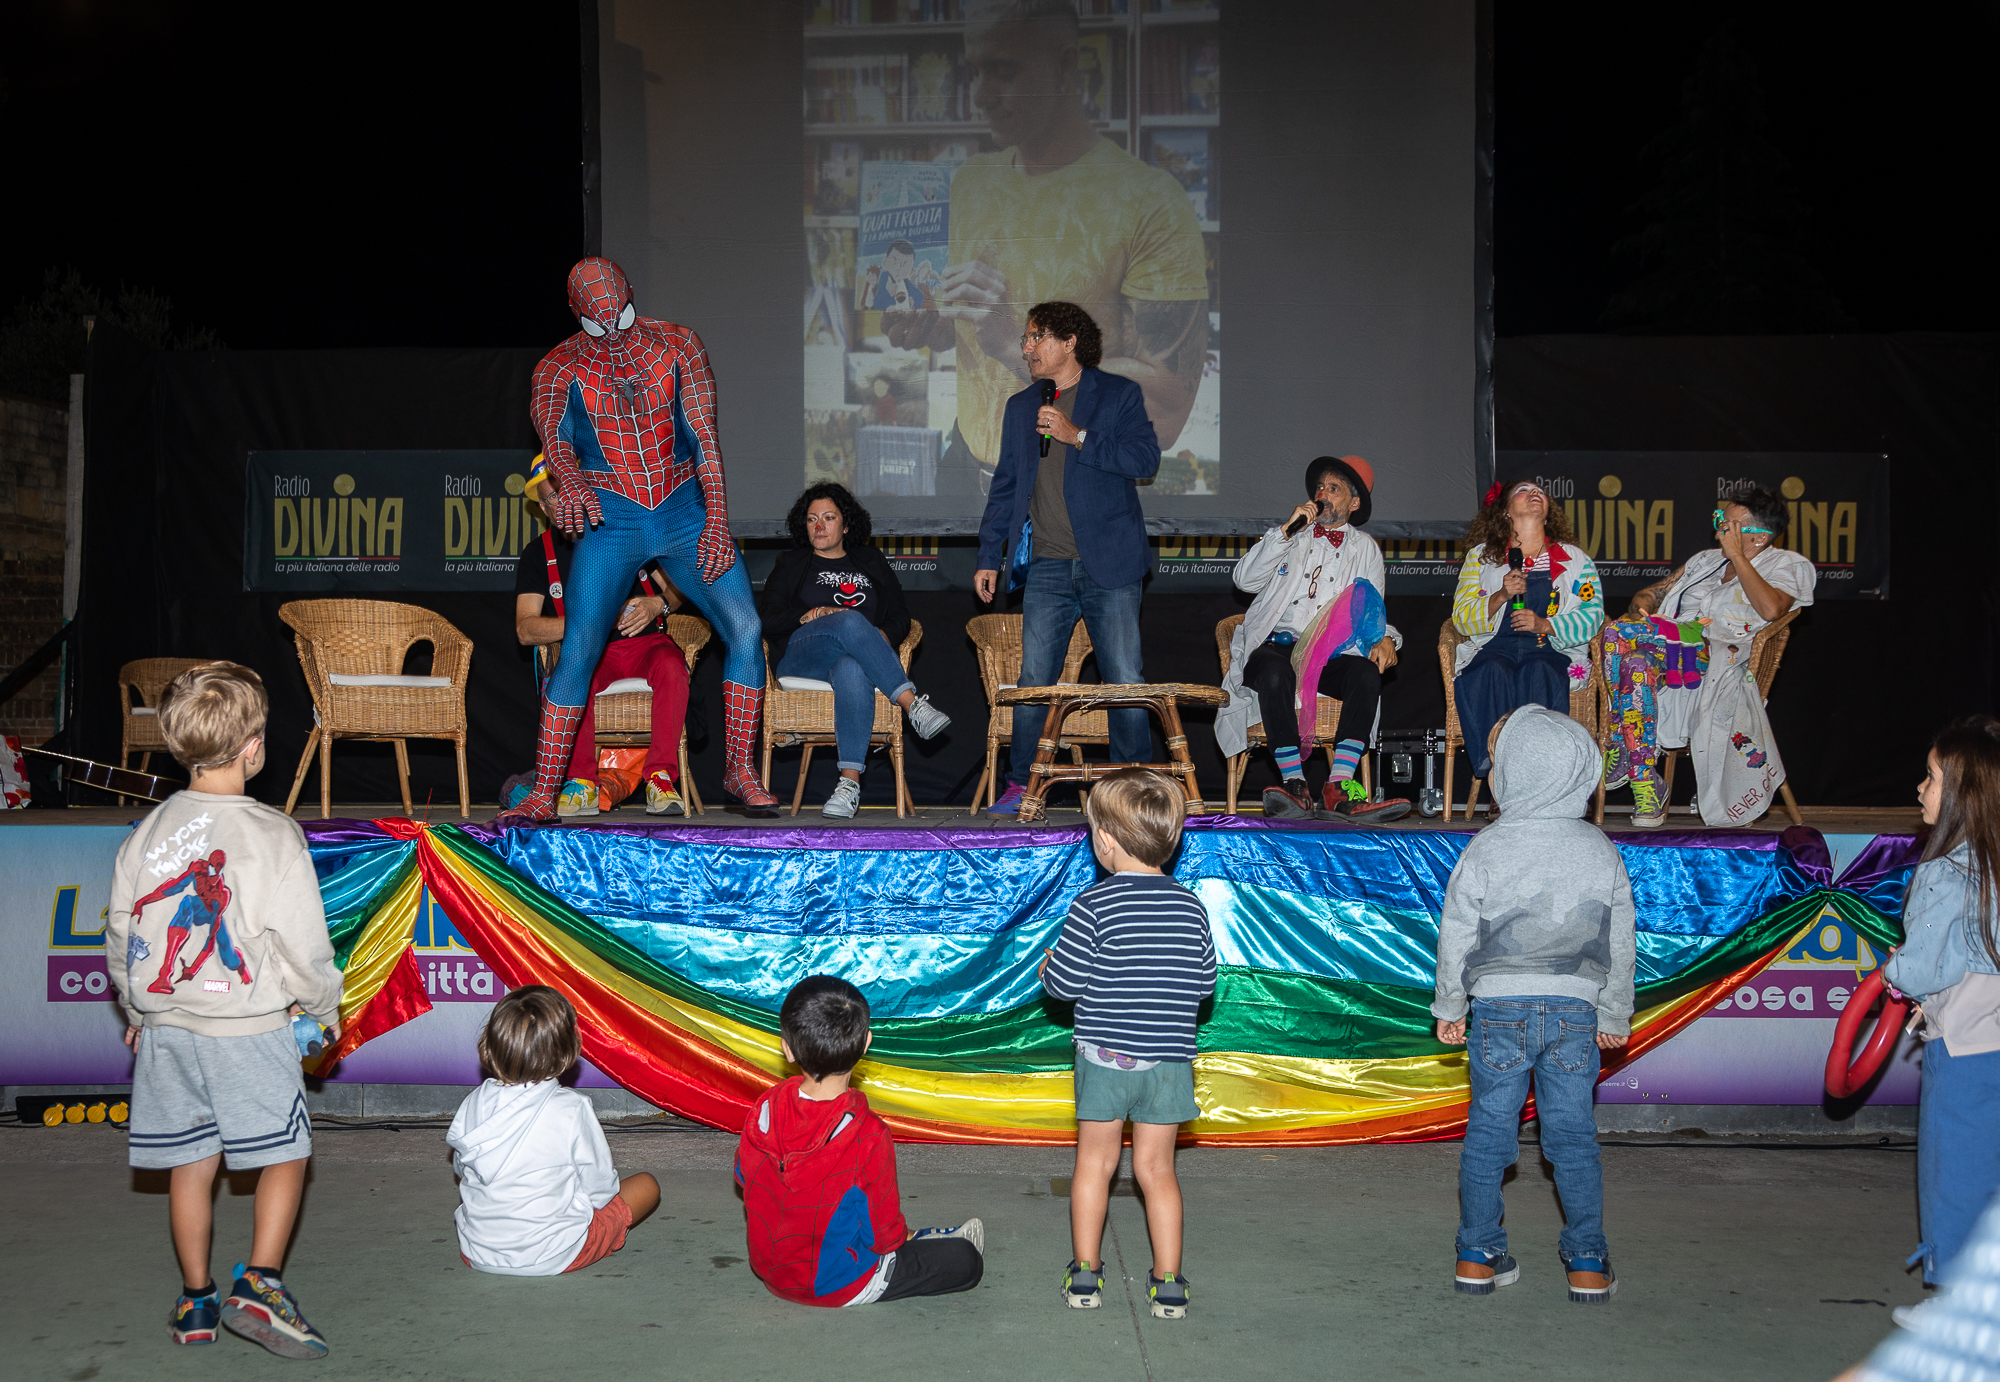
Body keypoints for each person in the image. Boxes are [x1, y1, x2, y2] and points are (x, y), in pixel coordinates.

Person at [104, 661, 344, 1358]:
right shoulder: (274, 834)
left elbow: (120, 931)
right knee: (286, 1153)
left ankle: (196, 1301)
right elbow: (302, 943)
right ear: (253, 746)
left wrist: (137, 1013)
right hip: (249, 1030)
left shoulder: (147, 832)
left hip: (167, 1031)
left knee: (191, 1161)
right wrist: (323, 1005)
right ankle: (262, 1282)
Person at [884, 0, 1209, 497]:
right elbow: (974, 327)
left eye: (1003, 70)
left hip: (1069, 488)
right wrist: (937, 323)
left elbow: (1165, 413)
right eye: (975, 72)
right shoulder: (972, 181)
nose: (981, 96)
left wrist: (1016, 345)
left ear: (1064, 64)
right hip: (963, 470)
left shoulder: (1149, 202)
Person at [507, 257, 777, 822]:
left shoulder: (679, 344)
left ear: (631, 295)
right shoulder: (556, 366)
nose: (615, 335)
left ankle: (739, 770)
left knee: (746, 628)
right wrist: (570, 479)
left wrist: (718, 520)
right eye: (599, 324)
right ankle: (543, 792)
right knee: (579, 647)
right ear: (577, 314)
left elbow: (704, 438)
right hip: (612, 515)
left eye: (623, 317)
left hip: (681, 508)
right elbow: (554, 437)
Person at [1432, 706, 1635, 1304]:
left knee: (1488, 1135)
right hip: (1575, 1012)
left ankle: (1476, 1256)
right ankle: (1588, 1263)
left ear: (1510, 773)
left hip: (1497, 1011)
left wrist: (1451, 1005)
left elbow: (1457, 933)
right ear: (1582, 772)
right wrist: (1613, 1013)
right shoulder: (1600, 848)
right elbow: (1621, 941)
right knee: (1573, 1141)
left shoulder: (1487, 846)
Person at [973, 300, 1160, 817]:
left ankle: (1132, 787)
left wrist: (1076, 435)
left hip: (1111, 563)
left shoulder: (1118, 394)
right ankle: (1024, 783)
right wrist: (990, 555)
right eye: (1026, 339)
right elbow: (1006, 487)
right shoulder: (1021, 406)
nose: (1026, 348)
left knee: (1123, 677)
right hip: (1048, 565)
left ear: (1070, 341)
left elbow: (1145, 459)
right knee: (1034, 679)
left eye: (1037, 337)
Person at [1042, 768, 1216, 1318]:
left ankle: (1085, 1276)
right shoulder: (1191, 905)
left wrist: (1049, 967)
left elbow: (1063, 985)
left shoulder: (1092, 905)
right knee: (1157, 1172)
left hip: (1104, 1059)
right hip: (1168, 1064)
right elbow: (1205, 984)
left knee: (1095, 1164)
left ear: (1104, 840)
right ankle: (1169, 1283)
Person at [735, 975, 986, 1306]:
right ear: (866, 1043)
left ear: (787, 1049)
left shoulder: (764, 1109)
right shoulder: (868, 1134)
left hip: (771, 1273)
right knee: (966, 1261)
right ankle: (926, 1240)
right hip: (838, 1284)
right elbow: (883, 1238)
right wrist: (899, 1238)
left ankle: (920, 1238)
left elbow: (743, 1177)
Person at [1603, 485, 1817, 827]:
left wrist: (1738, 558)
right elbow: (1651, 594)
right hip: (1671, 647)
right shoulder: (1705, 561)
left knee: (1616, 634)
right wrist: (1644, 612)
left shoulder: (1786, 564)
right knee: (1634, 663)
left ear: (1759, 537)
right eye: (1719, 518)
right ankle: (1646, 784)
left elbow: (1772, 609)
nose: (1718, 528)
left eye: (1727, 524)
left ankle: (1619, 741)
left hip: (1720, 654)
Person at [1882, 716, 2000, 1320]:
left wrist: (1891, 972)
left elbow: (1922, 968)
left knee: (1955, 1174)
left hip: (1966, 1051)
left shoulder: (1947, 871)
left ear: (1962, 793)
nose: (1920, 789)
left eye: (1931, 778)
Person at [1217, 454, 1410, 822]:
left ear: (1354, 503)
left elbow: (1371, 609)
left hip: (1327, 655)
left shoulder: (1365, 549)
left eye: (1333, 488)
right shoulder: (1291, 537)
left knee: (1365, 674)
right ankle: (1295, 784)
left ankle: (1339, 787)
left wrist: (1385, 637)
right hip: (1275, 647)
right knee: (1276, 673)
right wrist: (1285, 532)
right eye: (1320, 487)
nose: (1322, 494)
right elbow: (1244, 581)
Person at [758, 483, 951, 818]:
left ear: (846, 525)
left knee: (852, 666)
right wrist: (811, 614)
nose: (819, 526)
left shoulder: (870, 561)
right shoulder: (791, 563)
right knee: (848, 619)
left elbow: (900, 615)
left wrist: (879, 637)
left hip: (856, 656)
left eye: (829, 518)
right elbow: (767, 619)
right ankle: (912, 705)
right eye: (812, 519)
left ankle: (848, 785)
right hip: (804, 655)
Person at [512, 460, 691, 818]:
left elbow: (681, 588)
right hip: (590, 650)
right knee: (571, 675)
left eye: (567, 492)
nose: (562, 503)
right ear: (543, 507)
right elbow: (525, 629)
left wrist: (657, 603)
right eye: (552, 498)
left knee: (673, 666)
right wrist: (589, 622)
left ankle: (660, 777)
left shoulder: (628, 532)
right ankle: (581, 783)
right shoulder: (538, 554)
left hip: (645, 644)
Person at [447, 986, 661, 1276]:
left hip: (478, 1252)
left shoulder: (473, 1102)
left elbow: (461, 1169)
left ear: (490, 1044)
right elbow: (600, 1191)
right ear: (567, 1050)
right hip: (557, 1254)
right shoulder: (572, 1107)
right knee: (647, 1185)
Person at [1450, 478, 1606, 788]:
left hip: (1549, 648)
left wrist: (1545, 625)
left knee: (1538, 671)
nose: (1535, 493)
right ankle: (1500, 778)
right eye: (1523, 490)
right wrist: (1500, 596)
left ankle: (1537, 777)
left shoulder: (1575, 560)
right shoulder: (1481, 557)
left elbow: (1593, 614)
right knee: (1491, 671)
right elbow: (1461, 618)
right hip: (1496, 646)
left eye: (1540, 492)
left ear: (1548, 513)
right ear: (1506, 511)